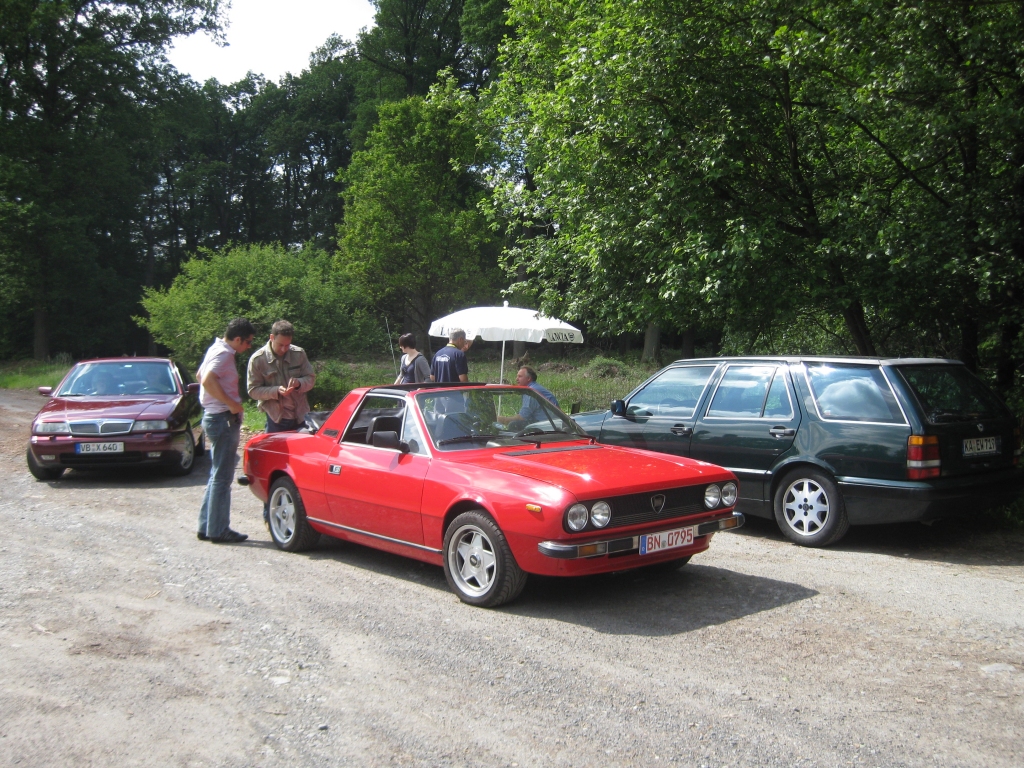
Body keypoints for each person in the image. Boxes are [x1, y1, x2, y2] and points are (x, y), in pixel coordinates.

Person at [196, 317, 255, 544]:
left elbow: (200, 375)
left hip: (214, 416)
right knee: (222, 478)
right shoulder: (224, 354)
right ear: (237, 339)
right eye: (247, 342)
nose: (248, 347)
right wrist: (231, 403)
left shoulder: (216, 348)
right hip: (221, 418)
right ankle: (219, 530)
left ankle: (207, 526)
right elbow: (207, 380)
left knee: (215, 475)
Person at [247, 320, 316, 433]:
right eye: (280, 345)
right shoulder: (258, 360)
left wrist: (299, 383)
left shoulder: (299, 353)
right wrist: (276, 391)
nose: (284, 349)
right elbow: (253, 391)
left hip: (301, 417)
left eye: (287, 345)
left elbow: (311, 379)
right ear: (272, 337)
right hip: (277, 420)